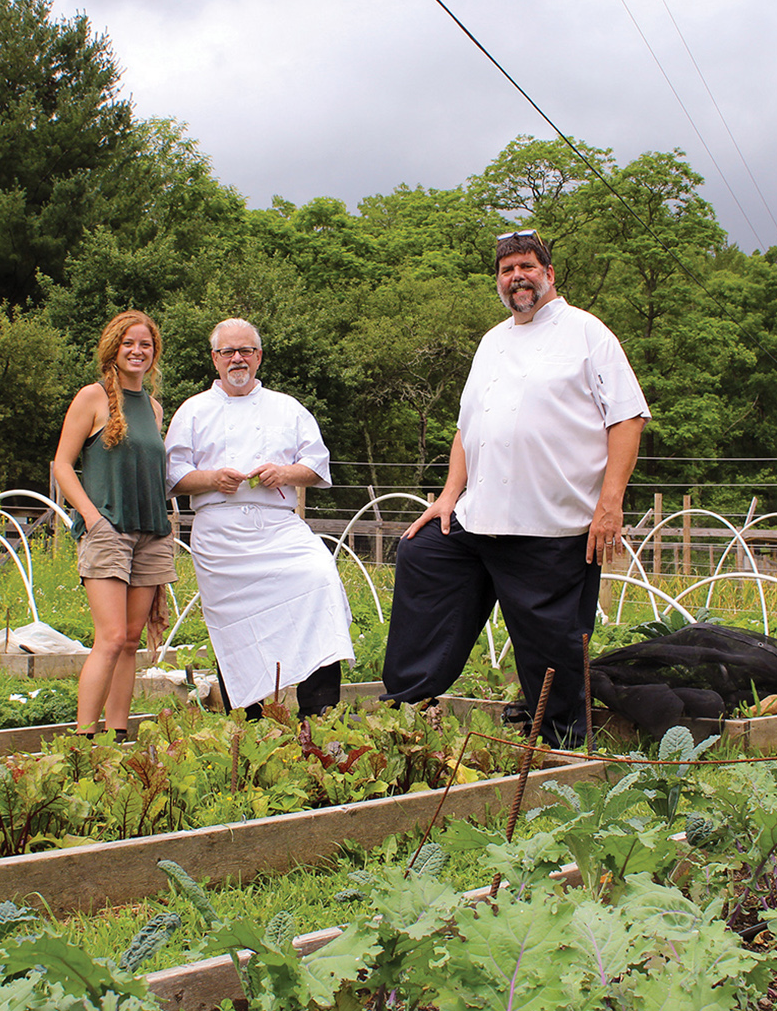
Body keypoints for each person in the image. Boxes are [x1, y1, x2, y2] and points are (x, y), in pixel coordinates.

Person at [381, 229, 650, 747]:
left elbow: (627, 418)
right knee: (423, 555)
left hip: (551, 523)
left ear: (548, 274)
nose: (517, 277)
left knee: (550, 641)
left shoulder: (587, 333)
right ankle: (408, 706)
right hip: (479, 517)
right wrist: (446, 497)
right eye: (507, 270)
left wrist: (609, 507)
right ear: (498, 283)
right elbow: (467, 427)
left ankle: (561, 743)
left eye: (527, 266)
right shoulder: (492, 341)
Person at [165, 318, 354, 718]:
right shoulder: (193, 410)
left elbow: (317, 465)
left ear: (259, 356)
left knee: (320, 580)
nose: (238, 358)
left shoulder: (287, 408)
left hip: (279, 526)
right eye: (228, 352)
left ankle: (319, 712)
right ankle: (244, 720)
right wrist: (212, 478)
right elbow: (174, 474)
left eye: (246, 351)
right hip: (220, 533)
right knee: (236, 623)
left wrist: (284, 473)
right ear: (215, 359)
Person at [51, 310, 178, 741]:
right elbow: (62, 465)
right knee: (108, 637)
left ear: (153, 352)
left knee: (130, 640)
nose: (137, 351)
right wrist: (91, 516)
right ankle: (84, 738)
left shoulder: (155, 408)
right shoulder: (93, 398)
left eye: (145, 344)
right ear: (114, 348)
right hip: (109, 530)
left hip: (151, 533)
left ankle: (118, 733)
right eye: (129, 343)